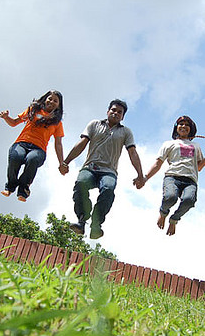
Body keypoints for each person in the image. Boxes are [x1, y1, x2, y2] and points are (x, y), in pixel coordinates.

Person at [61, 99, 144, 239]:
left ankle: (96, 224)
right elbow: (81, 144)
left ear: (123, 117)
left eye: (119, 112)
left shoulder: (125, 132)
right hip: (90, 167)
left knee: (108, 188)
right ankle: (82, 220)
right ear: (108, 111)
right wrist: (66, 161)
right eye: (113, 110)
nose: (116, 113)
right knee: (81, 183)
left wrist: (140, 175)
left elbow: (132, 153)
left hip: (109, 171)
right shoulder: (94, 124)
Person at [141, 116, 205, 236]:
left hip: (190, 180)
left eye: (186, 125)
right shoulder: (169, 144)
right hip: (172, 177)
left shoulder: (196, 146)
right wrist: (145, 177)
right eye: (181, 124)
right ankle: (163, 212)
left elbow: (199, 167)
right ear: (176, 128)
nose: (183, 126)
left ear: (191, 129)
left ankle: (174, 220)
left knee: (189, 200)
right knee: (170, 197)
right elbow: (158, 163)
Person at [0, 90, 66, 202]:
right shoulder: (33, 110)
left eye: (55, 101)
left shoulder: (57, 123)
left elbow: (58, 144)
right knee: (16, 157)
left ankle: (23, 189)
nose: (51, 102)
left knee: (32, 159)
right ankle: (10, 186)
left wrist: (61, 163)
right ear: (45, 99)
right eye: (50, 98)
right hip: (21, 143)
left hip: (38, 149)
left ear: (59, 105)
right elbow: (15, 122)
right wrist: (6, 117)